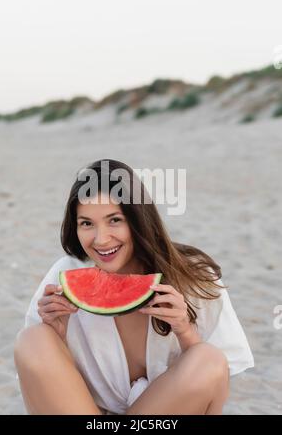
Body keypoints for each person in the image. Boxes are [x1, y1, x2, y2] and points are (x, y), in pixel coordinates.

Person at [14, 159, 254, 415]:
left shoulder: (195, 276)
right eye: (86, 223)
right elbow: (48, 386)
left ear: (138, 218)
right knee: (33, 339)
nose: (101, 239)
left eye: (114, 220)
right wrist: (57, 335)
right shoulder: (65, 274)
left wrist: (184, 330)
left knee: (209, 359)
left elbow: (217, 380)